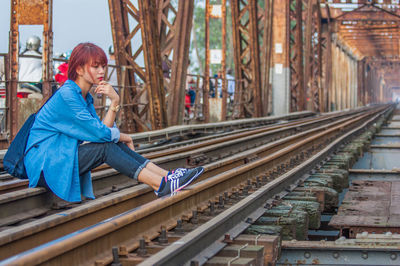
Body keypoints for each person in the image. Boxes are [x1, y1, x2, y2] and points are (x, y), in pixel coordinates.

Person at [24, 42, 204, 202]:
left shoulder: (84, 97)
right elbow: (101, 134)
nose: (102, 71)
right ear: (79, 69)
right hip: (44, 165)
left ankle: (167, 176)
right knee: (107, 146)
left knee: (110, 142)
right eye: (95, 67)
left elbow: (102, 131)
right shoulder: (67, 95)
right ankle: (160, 185)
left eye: (103, 66)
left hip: (61, 156)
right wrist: (123, 136)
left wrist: (115, 102)